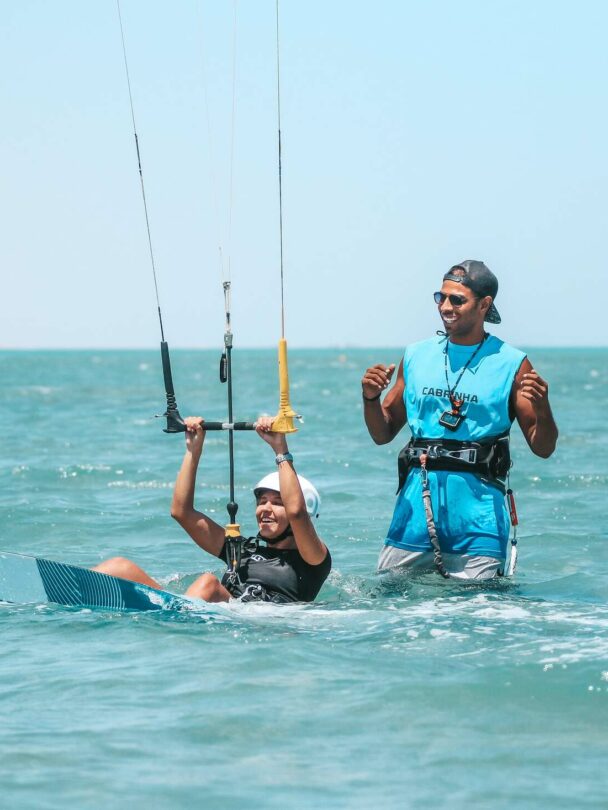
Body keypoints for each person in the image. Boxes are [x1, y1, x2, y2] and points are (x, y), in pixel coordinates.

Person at [362, 260, 558, 581]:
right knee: (387, 599)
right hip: (413, 514)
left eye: (457, 299)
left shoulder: (513, 363)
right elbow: (383, 432)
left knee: (477, 614)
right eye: (441, 297)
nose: (445, 307)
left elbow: (543, 446)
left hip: (479, 521)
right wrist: (369, 398)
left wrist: (544, 406)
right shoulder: (415, 355)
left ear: (484, 305)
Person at [94, 416, 331, 603]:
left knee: (208, 583)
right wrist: (193, 450)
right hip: (207, 609)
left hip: (254, 623)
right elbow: (181, 511)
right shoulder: (241, 551)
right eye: (262, 502)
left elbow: (297, 513)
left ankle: (179, 621)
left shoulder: (311, 560)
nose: (265, 509)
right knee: (118, 567)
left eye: (277, 503)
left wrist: (280, 449)